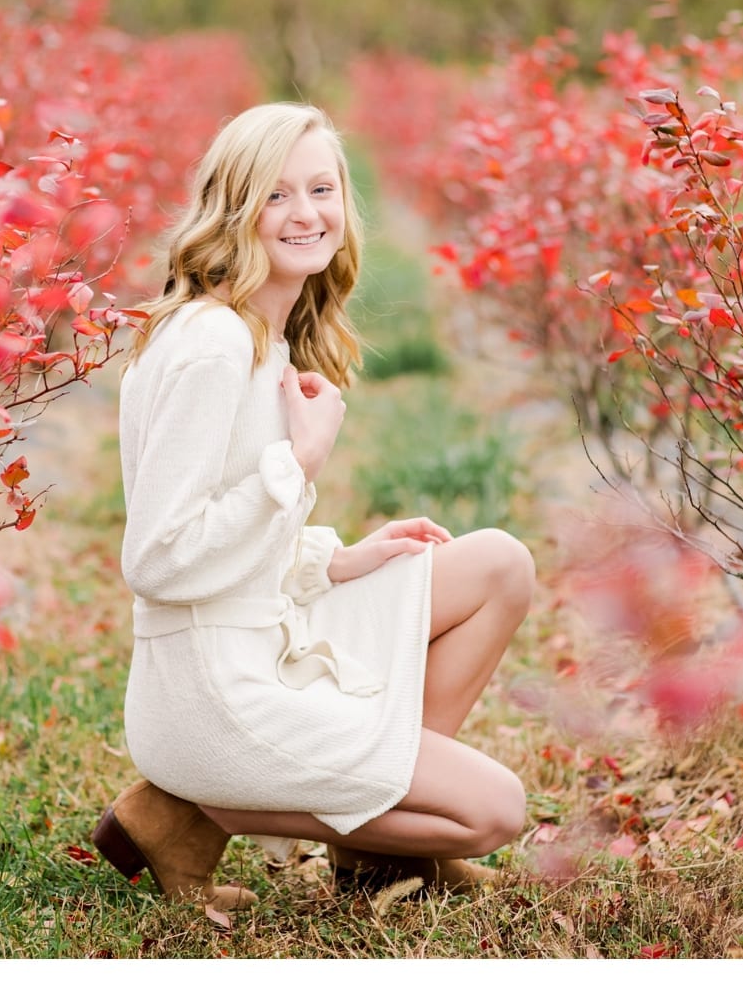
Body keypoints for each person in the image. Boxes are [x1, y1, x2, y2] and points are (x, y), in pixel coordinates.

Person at [92, 102, 535, 911]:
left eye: (321, 189)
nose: (306, 214)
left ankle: (369, 850)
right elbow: (157, 559)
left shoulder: (261, 335)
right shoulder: (212, 346)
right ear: (235, 210)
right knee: (495, 810)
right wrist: (298, 463)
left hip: (259, 630)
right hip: (214, 687)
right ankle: (199, 807)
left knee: (499, 565)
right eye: (276, 195)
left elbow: (229, 525)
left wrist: (330, 559)